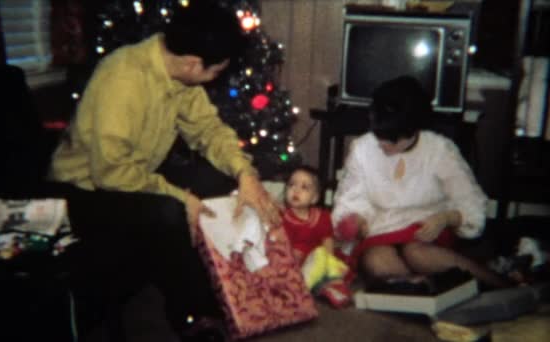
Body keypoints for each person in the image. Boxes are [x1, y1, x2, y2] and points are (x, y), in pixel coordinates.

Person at [48, 1, 281, 340]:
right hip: (82, 191)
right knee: (169, 209)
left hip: (132, 176)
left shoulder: (179, 75)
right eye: (214, 71)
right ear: (192, 63)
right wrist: (177, 194)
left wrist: (245, 174)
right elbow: (110, 172)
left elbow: (208, 131)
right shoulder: (123, 78)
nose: (215, 78)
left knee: (218, 179)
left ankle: (231, 286)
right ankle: (193, 315)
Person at [331, 75, 508, 289]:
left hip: (426, 228)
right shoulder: (362, 148)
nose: (382, 144)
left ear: (414, 130)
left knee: (417, 254)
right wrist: (357, 220)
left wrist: (447, 217)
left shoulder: (440, 150)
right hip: (381, 228)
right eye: (379, 135)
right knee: (377, 262)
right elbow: (352, 197)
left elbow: (471, 202)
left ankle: (499, 283)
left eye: (392, 138)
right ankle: (420, 288)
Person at [282, 166, 352, 308]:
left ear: (314, 198)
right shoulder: (282, 217)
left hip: (317, 262)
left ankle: (329, 285)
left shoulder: (322, 216)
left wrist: (328, 261)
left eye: (304, 187)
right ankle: (311, 288)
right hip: (294, 266)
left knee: (322, 256)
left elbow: (328, 242)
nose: (296, 190)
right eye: (292, 185)